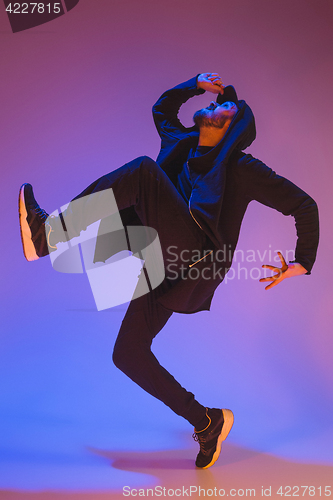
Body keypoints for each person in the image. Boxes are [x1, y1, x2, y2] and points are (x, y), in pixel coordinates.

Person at [18, 73, 319, 469]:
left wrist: (302, 262)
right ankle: (207, 421)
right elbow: (162, 109)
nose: (214, 104)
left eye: (225, 105)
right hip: (165, 264)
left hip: (198, 261)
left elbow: (304, 205)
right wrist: (195, 84)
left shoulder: (241, 168)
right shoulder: (181, 144)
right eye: (213, 102)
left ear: (234, 125)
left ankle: (49, 234)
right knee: (127, 354)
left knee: (143, 173)